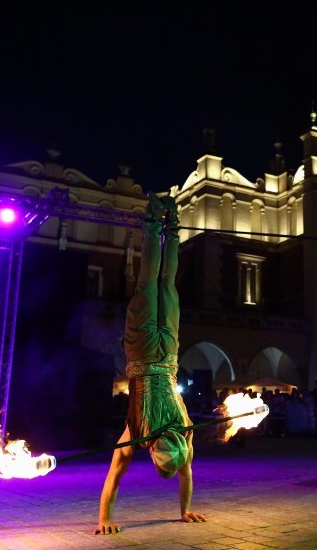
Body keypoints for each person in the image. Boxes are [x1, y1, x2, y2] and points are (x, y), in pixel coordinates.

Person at [94, 193, 206, 534]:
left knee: (162, 286)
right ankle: (161, 224)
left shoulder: (175, 436)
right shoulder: (148, 436)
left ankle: (168, 226)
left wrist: (105, 520)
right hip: (150, 355)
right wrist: (104, 519)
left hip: (161, 354)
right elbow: (114, 476)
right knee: (154, 285)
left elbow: (184, 473)